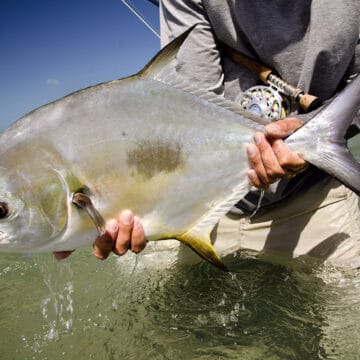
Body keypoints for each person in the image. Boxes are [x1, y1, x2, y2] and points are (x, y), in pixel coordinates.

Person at [56, 0, 360, 267]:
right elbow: (189, 109)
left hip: (314, 201)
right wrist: (128, 207)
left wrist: (310, 136)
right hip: (201, 211)